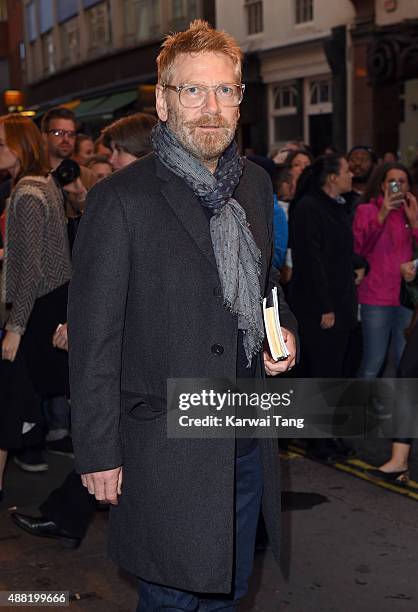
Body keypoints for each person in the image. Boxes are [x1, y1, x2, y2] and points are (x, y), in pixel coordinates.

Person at [67, 20, 297, 611]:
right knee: (172, 599)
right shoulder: (121, 200)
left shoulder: (253, 186)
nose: (210, 107)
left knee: (227, 593)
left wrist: (283, 333)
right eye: (193, 91)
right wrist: (98, 450)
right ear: (165, 102)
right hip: (165, 451)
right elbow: (95, 339)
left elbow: (266, 288)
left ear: (241, 100)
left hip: (243, 442)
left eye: (225, 91)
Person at [10, 112, 160, 546]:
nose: (108, 159)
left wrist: (85, 329)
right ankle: (69, 515)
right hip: (134, 351)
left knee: (119, 434)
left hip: (149, 356)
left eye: (115, 152)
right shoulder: (117, 196)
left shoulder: (138, 202)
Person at [0, 114, 71, 486]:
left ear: (18, 148)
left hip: (38, 305)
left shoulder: (26, 193)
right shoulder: (44, 182)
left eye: (0, 144)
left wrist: (15, 327)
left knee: (13, 394)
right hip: (52, 298)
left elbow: (30, 270)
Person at [289, 154, 357, 460]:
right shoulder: (308, 209)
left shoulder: (338, 208)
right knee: (320, 375)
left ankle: (333, 435)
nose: (352, 175)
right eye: (346, 171)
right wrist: (325, 307)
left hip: (341, 303)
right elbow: (310, 262)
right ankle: (317, 441)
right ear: (332, 177)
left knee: (337, 374)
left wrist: (361, 264)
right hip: (320, 307)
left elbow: (341, 253)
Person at [353, 162, 418, 383]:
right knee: (373, 362)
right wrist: (381, 215)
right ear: (382, 185)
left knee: (403, 360)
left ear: (409, 186)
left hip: (405, 299)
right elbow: (359, 249)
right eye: (392, 181)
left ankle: (395, 411)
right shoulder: (367, 210)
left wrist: (415, 223)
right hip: (375, 298)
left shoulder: (411, 213)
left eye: (402, 181)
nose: (397, 186)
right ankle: (359, 411)